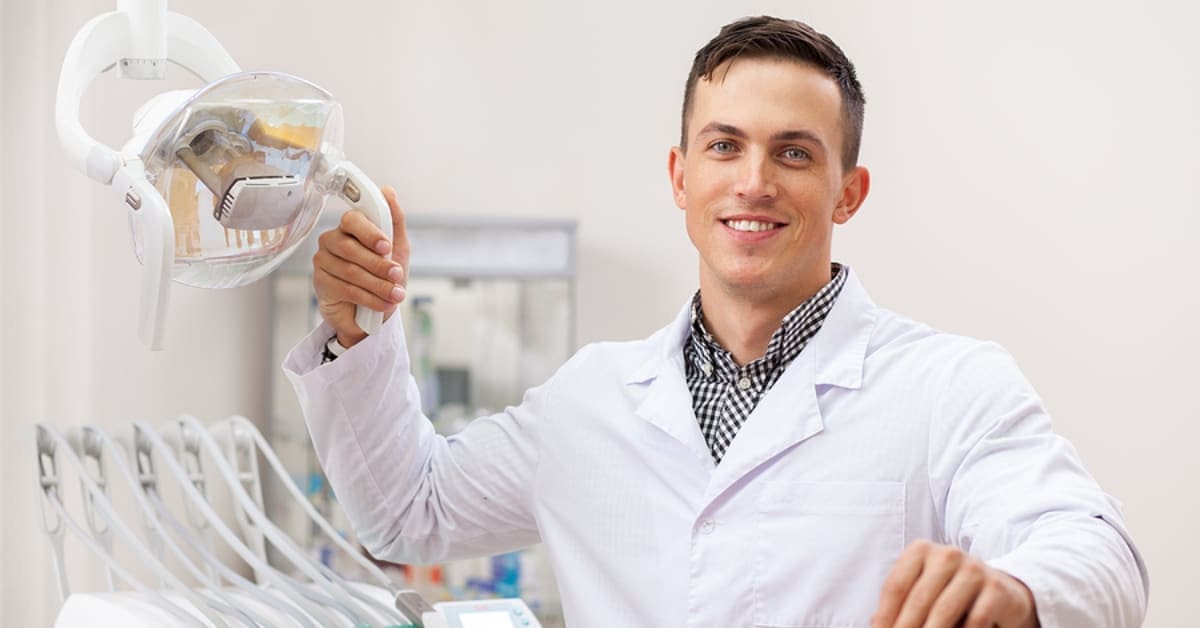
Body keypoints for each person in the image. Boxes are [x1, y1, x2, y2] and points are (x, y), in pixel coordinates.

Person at [285, 16, 1148, 627]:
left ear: (850, 191)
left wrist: (1018, 593)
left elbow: (1096, 551)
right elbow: (406, 513)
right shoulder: (590, 401)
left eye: (795, 152)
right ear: (680, 176)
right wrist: (362, 329)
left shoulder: (949, 385)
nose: (754, 181)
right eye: (725, 145)